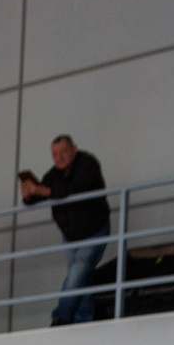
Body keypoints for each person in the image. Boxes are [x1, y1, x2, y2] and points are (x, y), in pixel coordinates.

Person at [19, 135, 111, 325]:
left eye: (63, 152)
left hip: (93, 231)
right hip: (70, 236)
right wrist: (29, 195)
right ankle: (84, 318)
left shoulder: (88, 163)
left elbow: (76, 189)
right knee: (80, 278)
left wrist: (43, 191)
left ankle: (61, 318)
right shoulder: (54, 174)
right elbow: (40, 193)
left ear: (74, 150)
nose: (59, 157)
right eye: (54, 154)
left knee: (77, 274)